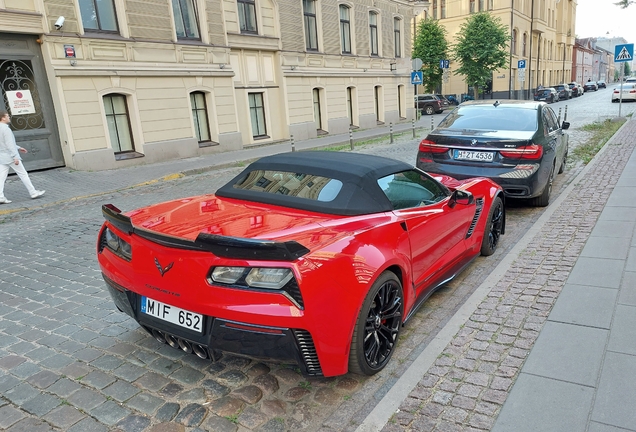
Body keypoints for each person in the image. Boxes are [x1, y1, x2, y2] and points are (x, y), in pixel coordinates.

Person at [0, 110, 45, 204]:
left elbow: (4, 144)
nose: (9, 117)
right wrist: (15, 156)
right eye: (7, 116)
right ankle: (33, 192)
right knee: (23, 174)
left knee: (1, 177)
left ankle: (0, 196)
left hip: (2, 157)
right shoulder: (6, 129)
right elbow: (9, 144)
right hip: (10, 156)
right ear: (3, 118)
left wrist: (19, 148)